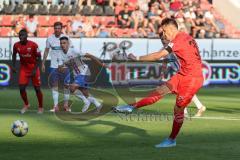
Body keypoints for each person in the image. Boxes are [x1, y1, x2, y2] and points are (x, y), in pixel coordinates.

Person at [113, 18, 204, 148]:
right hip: (182, 75)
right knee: (159, 91)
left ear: (172, 29)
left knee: (178, 109)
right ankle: (131, 107)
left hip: (192, 79)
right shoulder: (186, 36)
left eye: (165, 31)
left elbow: (158, 55)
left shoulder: (178, 40)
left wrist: (136, 58)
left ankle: (172, 140)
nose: (164, 34)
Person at [160, 32, 206, 117]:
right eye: (162, 39)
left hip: (185, 72)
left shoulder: (174, 47)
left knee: (182, 91)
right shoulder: (163, 50)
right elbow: (165, 62)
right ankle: (197, 107)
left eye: (164, 39)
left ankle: (187, 111)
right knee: (183, 92)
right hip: (179, 73)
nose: (163, 41)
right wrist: (163, 73)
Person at [58, 36, 102, 113]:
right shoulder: (61, 54)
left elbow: (88, 55)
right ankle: (98, 105)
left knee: (72, 88)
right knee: (84, 92)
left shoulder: (74, 50)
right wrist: (62, 67)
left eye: (64, 43)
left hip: (84, 72)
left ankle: (86, 102)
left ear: (68, 43)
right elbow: (65, 65)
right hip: (77, 74)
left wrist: (100, 62)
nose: (62, 45)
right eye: (61, 43)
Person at [12, 29, 43, 114]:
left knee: (37, 89)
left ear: (26, 36)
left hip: (34, 68)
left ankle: (40, 107)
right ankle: (26, 104)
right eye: (20, 35)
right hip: (24, 68)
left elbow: (39, 58)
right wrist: (14, 66)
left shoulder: (34, 45)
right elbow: (14, 54)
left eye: (23, 35)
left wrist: (34, 69)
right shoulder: (16, 45)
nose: (21, 37)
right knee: (21, 88)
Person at [41, 22, 70, 112]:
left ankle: (66, 106)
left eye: (59, 28)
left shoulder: (66, 38)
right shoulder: (50, 38)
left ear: (61, 29)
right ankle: (55, 106)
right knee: (55, 86)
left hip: (65, 66)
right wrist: (43, 63)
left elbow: (70, 50)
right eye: (56, 28)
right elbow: (46, 51)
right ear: (54, 29)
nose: (57, 30)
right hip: (54, 66)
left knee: (66, 86)